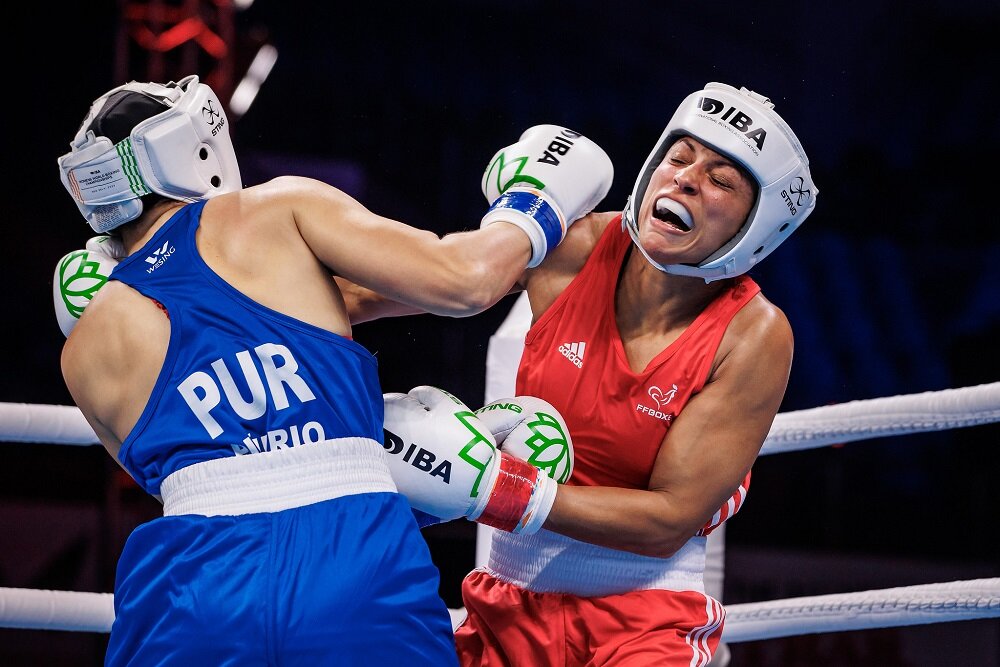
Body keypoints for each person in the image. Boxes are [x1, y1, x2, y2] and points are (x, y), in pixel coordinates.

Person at [53, 74, 612, 665]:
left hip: (184, 590)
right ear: (192, 148)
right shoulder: (272, 211)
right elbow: (465, 280)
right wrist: (532, 205)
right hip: (347, 553)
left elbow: (210, 466)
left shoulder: (85, 349)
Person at [340, 82, 818, 666]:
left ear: (756, 224)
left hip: (646, 622)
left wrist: (491, 489)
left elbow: (669, 518)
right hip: (506, 607)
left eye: (722, 179)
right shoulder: (576, 245)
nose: (686, 179)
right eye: (678, 157)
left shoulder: (752, 335)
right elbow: (371, 294)